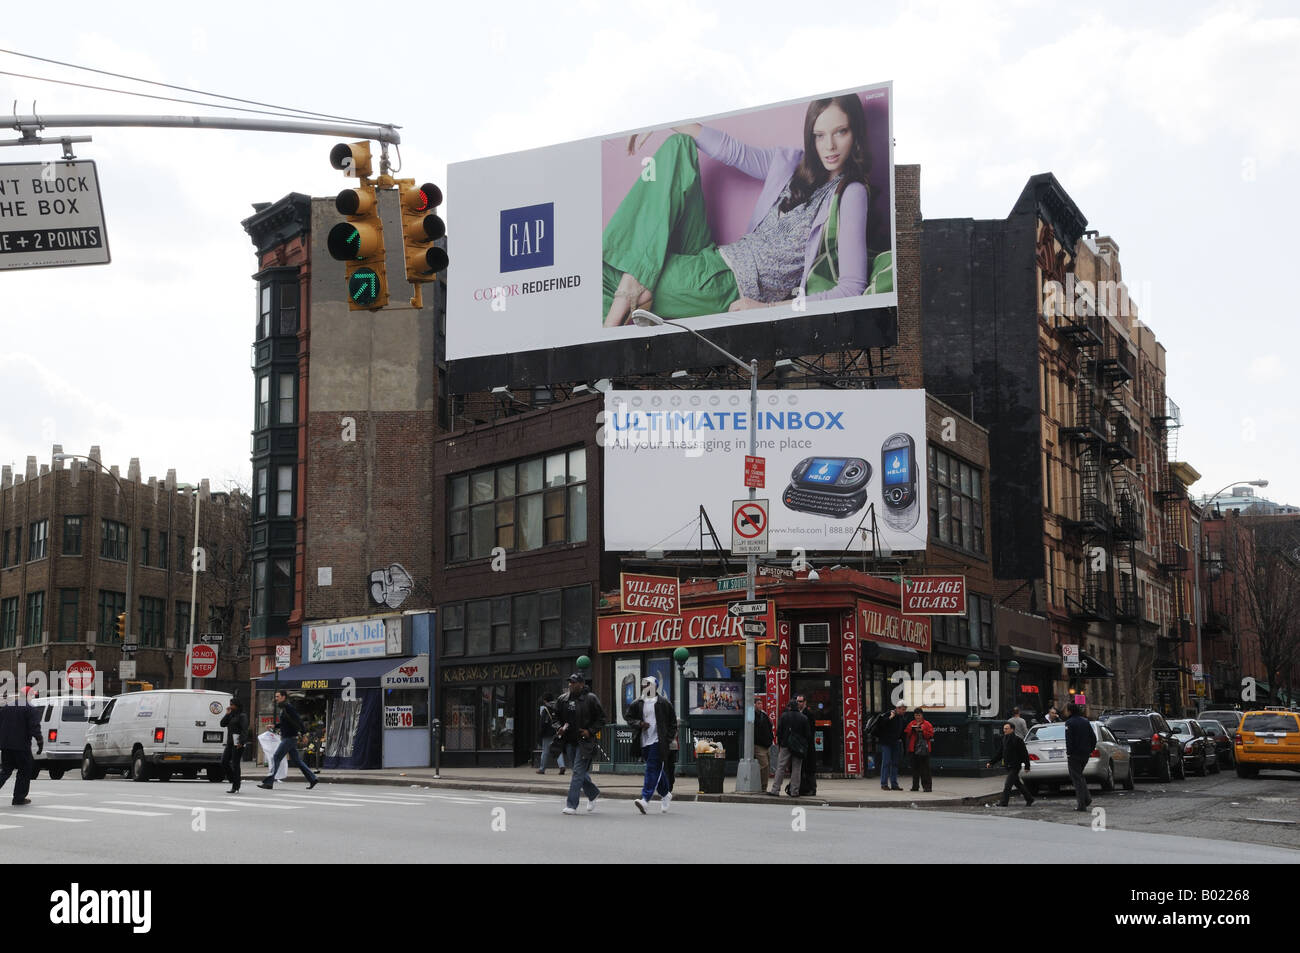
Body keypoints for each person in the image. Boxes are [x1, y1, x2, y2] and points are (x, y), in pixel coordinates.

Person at [602, 94, 874, 327]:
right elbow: (734, 151)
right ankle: (633, 283)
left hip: (732, 286)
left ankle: (624, 298)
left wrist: (768, 310)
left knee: (605, 275)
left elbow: (851, 289)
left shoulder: (851, 193)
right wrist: (664, 119)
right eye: (819, 135)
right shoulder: (793, 164)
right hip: (716, 255)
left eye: (841, 131)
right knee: (680, 144)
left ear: (856, 132)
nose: (829, 146)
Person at [556, 673, 606, 815]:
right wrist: (559, 728)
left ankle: (571, 805)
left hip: (585, 742)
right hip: (570, 741)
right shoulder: (563, 699)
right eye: (570, 682)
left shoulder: (591, 699)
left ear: (582, 684)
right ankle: (593, 792)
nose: (571, 684)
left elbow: (602, 719)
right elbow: (556, 717)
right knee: (579, 772)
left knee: (577, 772)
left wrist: (590, 731)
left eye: (574, 682)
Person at [626, 676, 678, 814]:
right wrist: (640, 724)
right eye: (643, 685)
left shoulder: (664, 703)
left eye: (648, 684)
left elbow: (673, 723)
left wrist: (667, 739)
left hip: (658, 741)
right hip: (644, 741)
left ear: (654, 686)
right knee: (657, 770)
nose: (645, 687)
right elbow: (629, 718)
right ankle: (666, 794)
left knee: (651, 768)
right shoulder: (638, 702)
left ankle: (645, 799)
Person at [257, 690, 318, 791]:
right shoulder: (284, 708)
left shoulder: (288, 707)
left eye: (277, 697)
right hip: (289, 738)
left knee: (276, 757)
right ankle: (313, 778)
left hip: (289, 738)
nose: (276, 699)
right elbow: (286, 723)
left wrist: (304, 734)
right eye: (275, 697)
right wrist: (275, 725)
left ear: (283, 697)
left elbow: (298, 720)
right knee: (297, 761)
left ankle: (268, 782)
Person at [0, 688, 42, 805]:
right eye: (32, 696)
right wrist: (40, 741)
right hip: (21, 746)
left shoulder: (7, 707)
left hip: (6, 745)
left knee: (5, 771)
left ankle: (19, 797)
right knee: (25, 770)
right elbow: (34, 727)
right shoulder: (30, 709)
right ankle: (19, 797)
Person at [986, 722, 1035, 807]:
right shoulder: (1004, 739)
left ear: (1012, 729)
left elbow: (1024, 753)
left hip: (1015, 766)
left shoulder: (1018, 740)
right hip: (1008, 766)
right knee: (1018, 784)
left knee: (1008, 785)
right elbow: (1000, 753)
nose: (1004, 730)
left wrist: (1027, 766)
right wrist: (991, 762)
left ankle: (1004, 802)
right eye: (1004, 728)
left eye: (1006, 728)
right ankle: (1029, 798)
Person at [768, 700, 810, 798]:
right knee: (796, 768)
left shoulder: (784, 716)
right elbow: (807, 734)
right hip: (798, 747)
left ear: (789, 707)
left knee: (781, 767)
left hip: (786, 745)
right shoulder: (803, 718)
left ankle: (775, 790)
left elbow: (779, 731)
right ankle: (794, 791)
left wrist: (781, 743)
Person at [1064, 702, 1097, 812]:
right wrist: (1090, 750)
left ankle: (1081, 804)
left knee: (1077, 779)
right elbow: (1093, 738)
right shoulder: (1085, 721)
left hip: (1074, 755)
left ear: (1070, 711)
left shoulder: (1069, 723)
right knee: (1080, 777)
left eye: (1066, 710)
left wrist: (1069, 753)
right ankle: (1086, 799)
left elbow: (1069, 740)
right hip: (1085, 754)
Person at [874, 702, 908, 791]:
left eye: (905, 709)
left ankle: (894, 784)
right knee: (886, 762)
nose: (904, 711)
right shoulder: (889, 714)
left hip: (896, 742)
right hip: (886, 742)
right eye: (903, 709)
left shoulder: (901, 718)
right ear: (898, 708)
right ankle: (884, 783)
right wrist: (890, 718)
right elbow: (881, 725)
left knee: (895, 763)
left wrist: (904, 745)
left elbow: (902, 732)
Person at [220, 697, 248, 794]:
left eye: (232, 705)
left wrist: (241, 742)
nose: (230, 706)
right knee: (224, 761)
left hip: (238, 744)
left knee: (235, 764)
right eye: (230, 704)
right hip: (230, 742)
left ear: (237, 705)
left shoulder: (242, 716)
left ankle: (235, 786)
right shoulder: (231, 715)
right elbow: (222, 724)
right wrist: (227, 714)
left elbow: (244, 730)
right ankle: (234, 779)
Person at [904, 707, 935, 793]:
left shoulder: (927, 724)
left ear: (922, 715)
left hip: (924, 749)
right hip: (913, 749)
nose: (918, 717)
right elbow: (907, 734)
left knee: (925, 769)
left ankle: (927, 787)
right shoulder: (911, 724)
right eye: (916, 715)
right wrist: (913, 729)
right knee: (915, 769)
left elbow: (931, 735)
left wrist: (922, 731)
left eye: (919, 715)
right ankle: (915, 786)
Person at [536, 693, 566, 776]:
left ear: (545, 700)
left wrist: (541, 733)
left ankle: (542, 769)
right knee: (557, 749)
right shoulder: (557, 707)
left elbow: (543, 723)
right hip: (557, 731)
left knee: (545, 751)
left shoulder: (546, 709)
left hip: (547, 733)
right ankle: (562, 766)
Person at [795, 694, 818, 796]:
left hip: (807, 745)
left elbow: (811, 730)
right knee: (802, 767)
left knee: (809, 768)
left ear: (805, 702)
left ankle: (812, 788)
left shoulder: (808, 714)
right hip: (800, 745)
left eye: (800, 701)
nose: (798, 703)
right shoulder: (797, 713)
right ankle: (803, 788)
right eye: (797, 701)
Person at [753, 699, 774, 790]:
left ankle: (764, 785)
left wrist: (770, 739)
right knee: (764, 765)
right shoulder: (752, 715)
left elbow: (770, 726)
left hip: (766, 744)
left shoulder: (764, 715)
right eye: (758, 703)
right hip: (758, 745)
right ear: (754, 705)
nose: (760, 705)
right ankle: (763, 786)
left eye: (761, 703)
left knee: (767, 766)